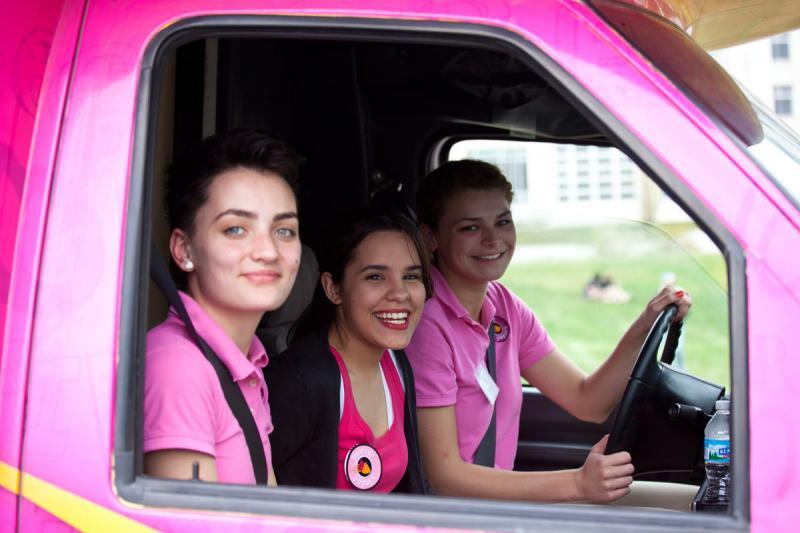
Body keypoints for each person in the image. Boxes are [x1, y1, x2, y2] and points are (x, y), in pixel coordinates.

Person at [405, 160, 691, 503]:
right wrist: (576, 484)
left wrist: (644, 325)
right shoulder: (426, 324)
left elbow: (588, 401)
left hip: (495, 510)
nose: (493, 239)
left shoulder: (506, 308)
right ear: (430, 237)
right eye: (470, 228)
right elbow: (445, 478)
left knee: (684, 507)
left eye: (503, 222)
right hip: (449, 519)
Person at [143, 129, 303, 484]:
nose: (268, 251)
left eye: (284, 230)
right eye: (235, 229)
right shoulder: (179, 367)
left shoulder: (248, 360)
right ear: (184, 250)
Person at [265, 209, 431, 494]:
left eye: (411, 276)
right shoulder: (299, 381)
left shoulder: (394, 362)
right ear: (333, 289)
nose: (400, 293)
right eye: (376, 277)